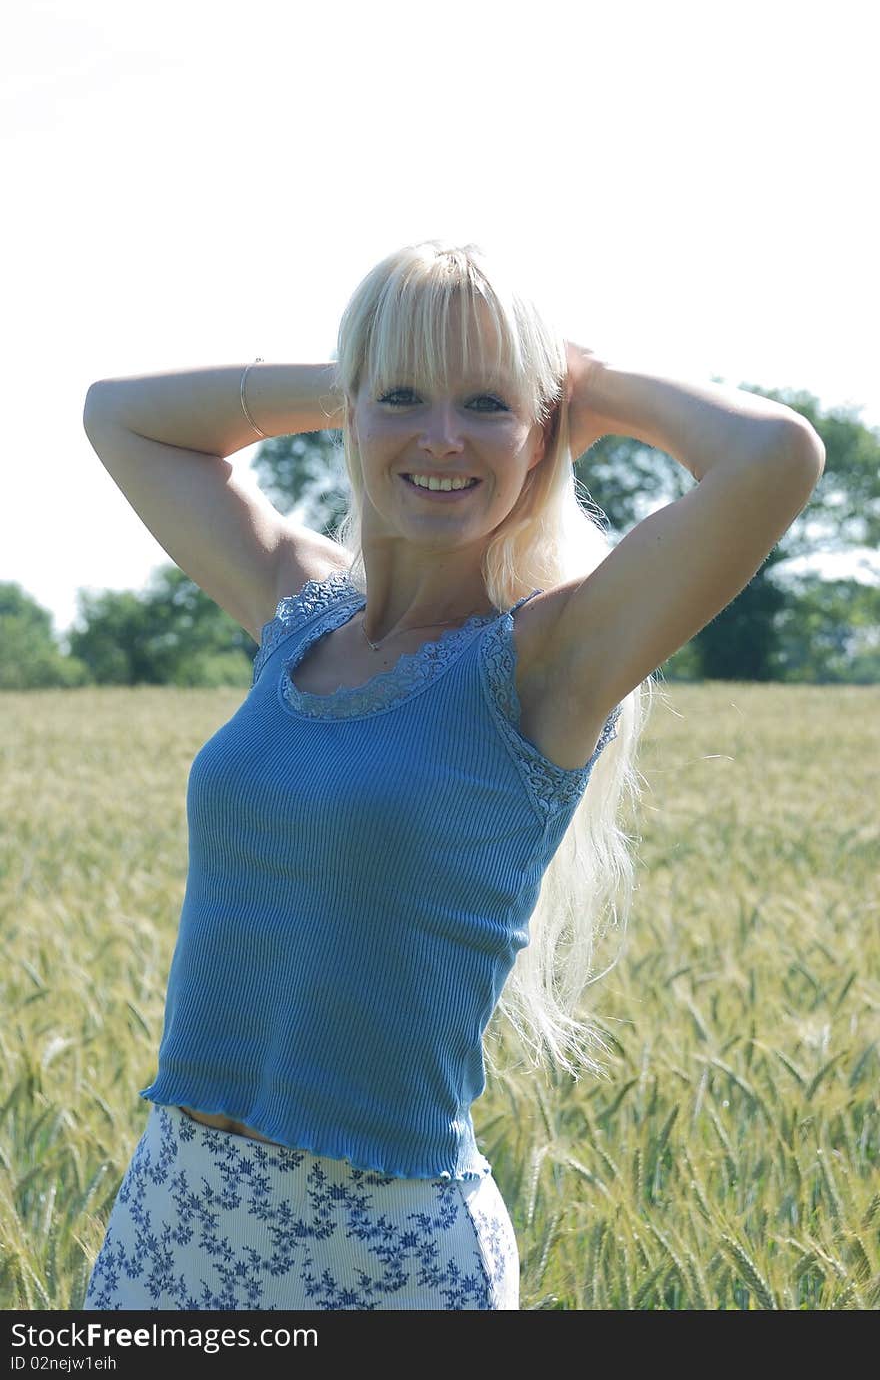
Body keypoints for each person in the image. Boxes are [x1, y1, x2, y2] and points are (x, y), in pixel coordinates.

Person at [79, 239, 824, 1311]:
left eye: (486, 404)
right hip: (174, 1209)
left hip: (384, 1250)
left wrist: (586, 383)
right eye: (401, 399)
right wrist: (357, 375)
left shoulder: (549, 661)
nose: (441, 438)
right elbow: (119, 415)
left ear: (541, 430)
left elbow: (774, 456)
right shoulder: (297, 608)